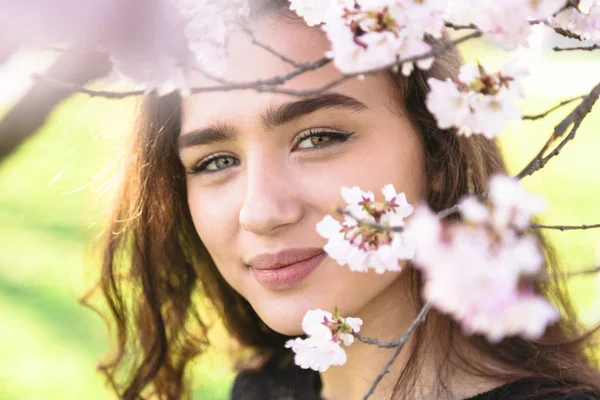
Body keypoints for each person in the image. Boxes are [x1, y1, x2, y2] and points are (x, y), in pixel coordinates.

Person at [86, 0, 600, 399]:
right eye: (216, 162)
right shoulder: (268, 388)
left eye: (318, 138)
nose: (261, 212)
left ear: (440, 150)